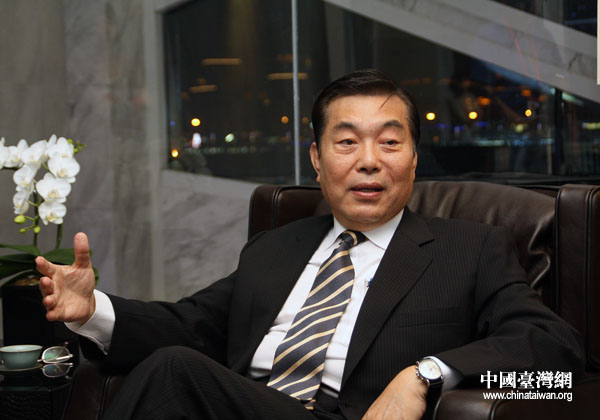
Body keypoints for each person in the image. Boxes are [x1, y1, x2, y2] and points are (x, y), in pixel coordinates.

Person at [36, 69, 583, 420]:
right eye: (346, 142)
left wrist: (426, 375)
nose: (369, 161)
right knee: (172, 363)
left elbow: (557, 357)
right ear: (317, 161)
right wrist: (92, 310)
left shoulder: (469, 249)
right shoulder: (276, 248)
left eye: (390, 142)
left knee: (175, 371)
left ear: (414, 158)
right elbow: (192, 325)